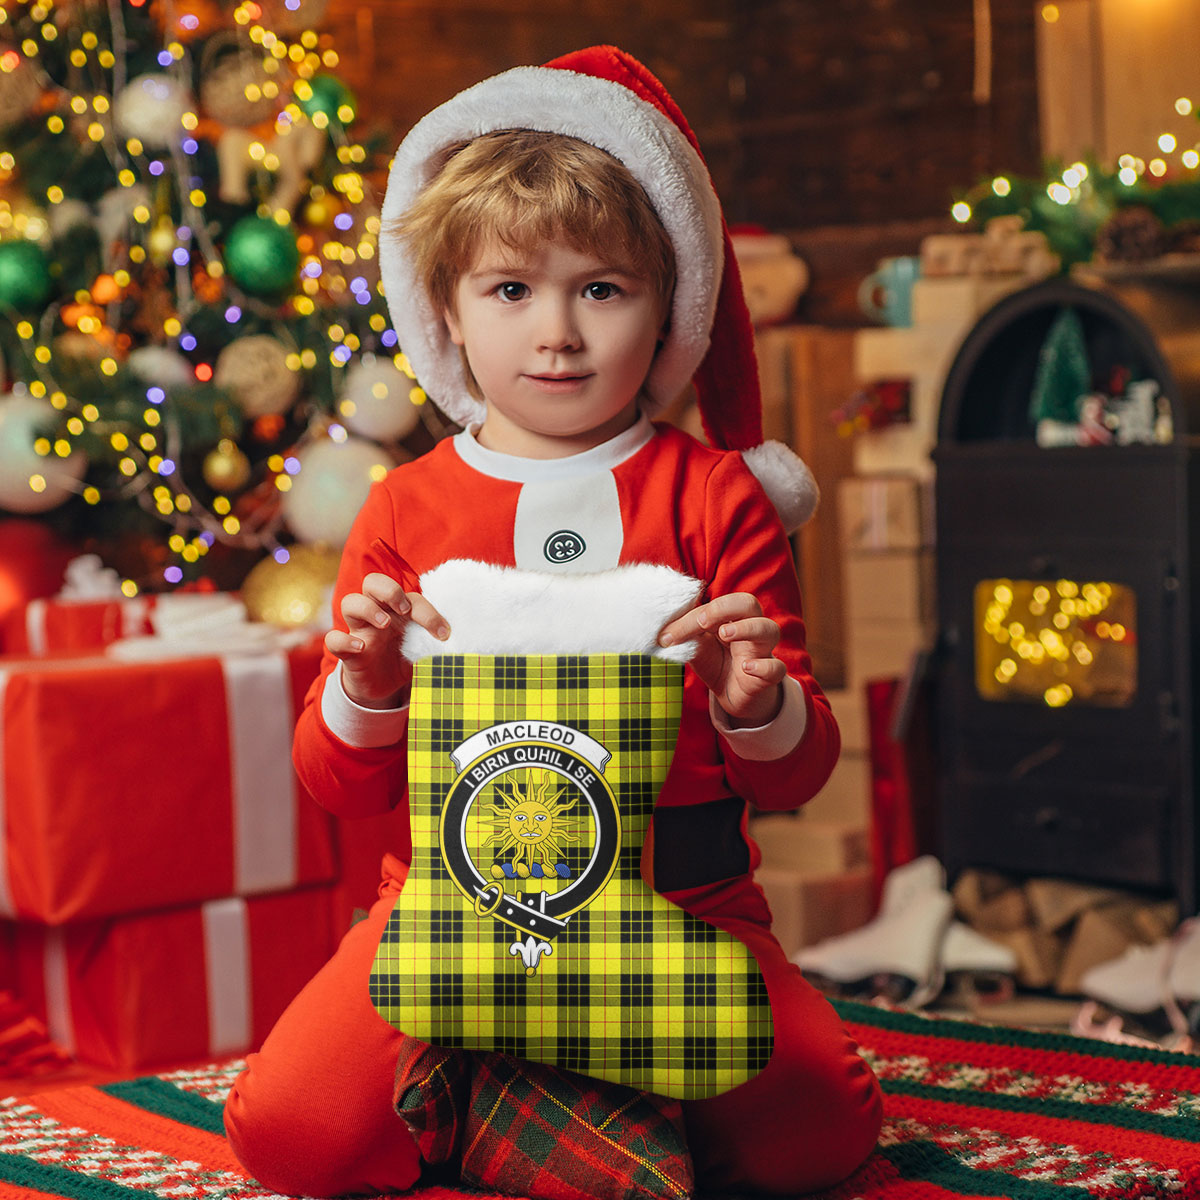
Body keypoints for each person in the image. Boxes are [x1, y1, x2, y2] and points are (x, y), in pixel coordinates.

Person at [224, 45, 882, 1197]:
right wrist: (368, 686)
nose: (558, 334)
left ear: (665, 303)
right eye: (512, 289)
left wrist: (760, 705)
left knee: (818, 1136)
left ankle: (532, 1090)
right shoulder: (407, 504)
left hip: (687, 904)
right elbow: (339, 785)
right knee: (292, 1135)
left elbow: (796, 780)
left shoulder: (716, 496)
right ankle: (542, 1092)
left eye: (602, 288)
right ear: (447, 310)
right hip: (448, 904)